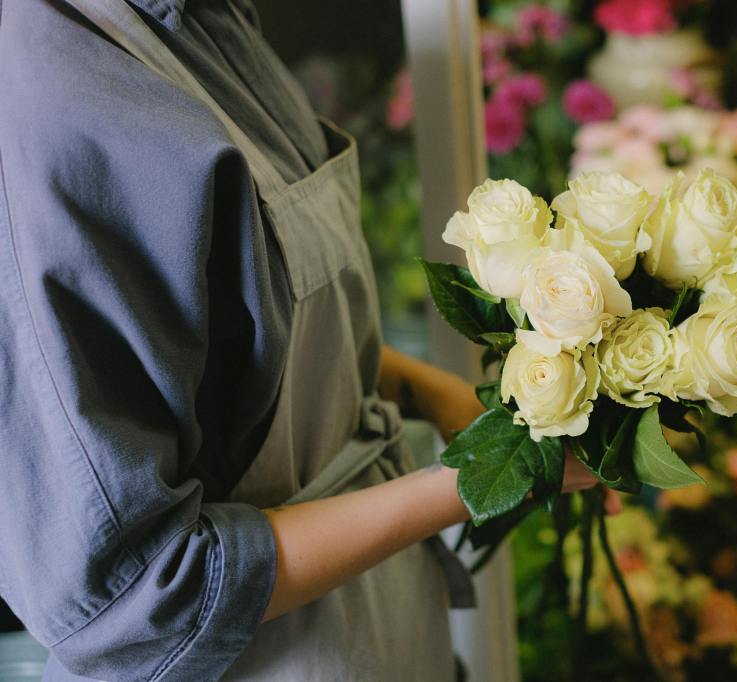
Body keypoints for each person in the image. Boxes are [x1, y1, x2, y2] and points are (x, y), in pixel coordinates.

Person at [0, 0, 616, 680]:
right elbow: (135, 603)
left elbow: (242, 342)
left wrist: (439, 396)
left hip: (382, 628)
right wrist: (480, 478)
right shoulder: (41, 103)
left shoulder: (210, 22)